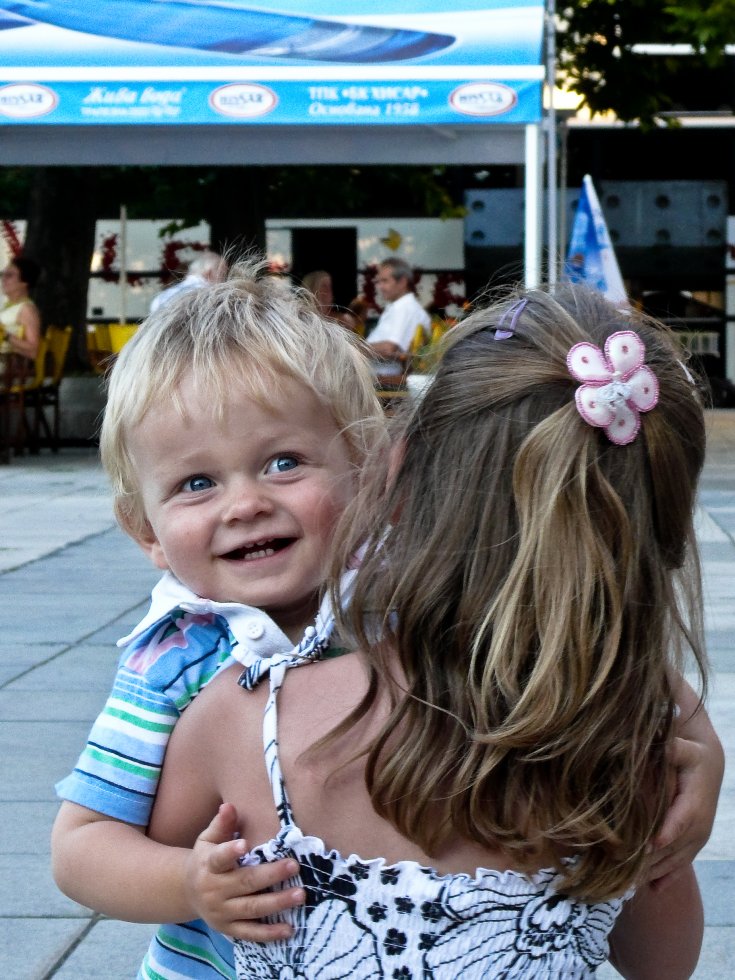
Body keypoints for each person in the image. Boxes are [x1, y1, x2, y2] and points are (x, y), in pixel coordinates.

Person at [146, 284, 721, 978]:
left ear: (395, 473)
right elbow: (661, 966)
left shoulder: (242, 722)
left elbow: (134, 860)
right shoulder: (627, 757)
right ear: (663, 531)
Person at [50, 258, 385, 980]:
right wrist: (188, 884)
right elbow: (81, 845)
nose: (245, 504)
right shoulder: (176, 657)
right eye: (197, 482)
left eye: (284, 462)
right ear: (146, 530)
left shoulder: (400, 614)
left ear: (364, 467)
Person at [367, 256, 431, 374]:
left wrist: (354, 348)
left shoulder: (405, 308)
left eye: (385, 281)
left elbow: (388, 349)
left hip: (389, 382)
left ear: (402, 282)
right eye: (379, 281)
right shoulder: (399, 306)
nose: (380, 287)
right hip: (383, 379)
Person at [150, 249, 227, 313]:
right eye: (223, 274)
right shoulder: (209, 298)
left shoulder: (160, 298)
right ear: (208, 273)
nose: (225, 280)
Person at [0, 255, 42, 365]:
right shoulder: (9, 306)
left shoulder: (26, 309)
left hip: (6, 366)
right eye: (2, 274)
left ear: (24, 282)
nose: (3, 279)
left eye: (9, 275)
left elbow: (33, 351)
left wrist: (5, 336)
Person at [302, 268, 363, 334]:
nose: (328, 290)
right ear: (312, 288)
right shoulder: (303, 317)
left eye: (329, 286)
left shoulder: (343, 320)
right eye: (324, 286)